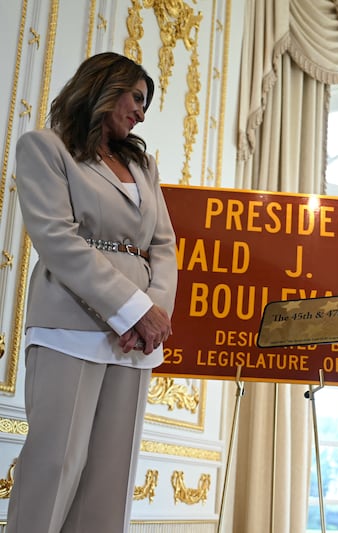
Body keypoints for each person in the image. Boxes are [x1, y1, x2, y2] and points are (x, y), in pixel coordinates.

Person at [7, 52, 177, 533]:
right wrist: (132, 310)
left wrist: (154, 312)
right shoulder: (45, 147)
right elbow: (58, 239)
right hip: (69, 327)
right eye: (138, 99)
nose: (142, 113)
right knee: (54, 468)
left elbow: (163, 244)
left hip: (135, 341)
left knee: (110, 480)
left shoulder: (142, 165)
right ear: (105, 86)